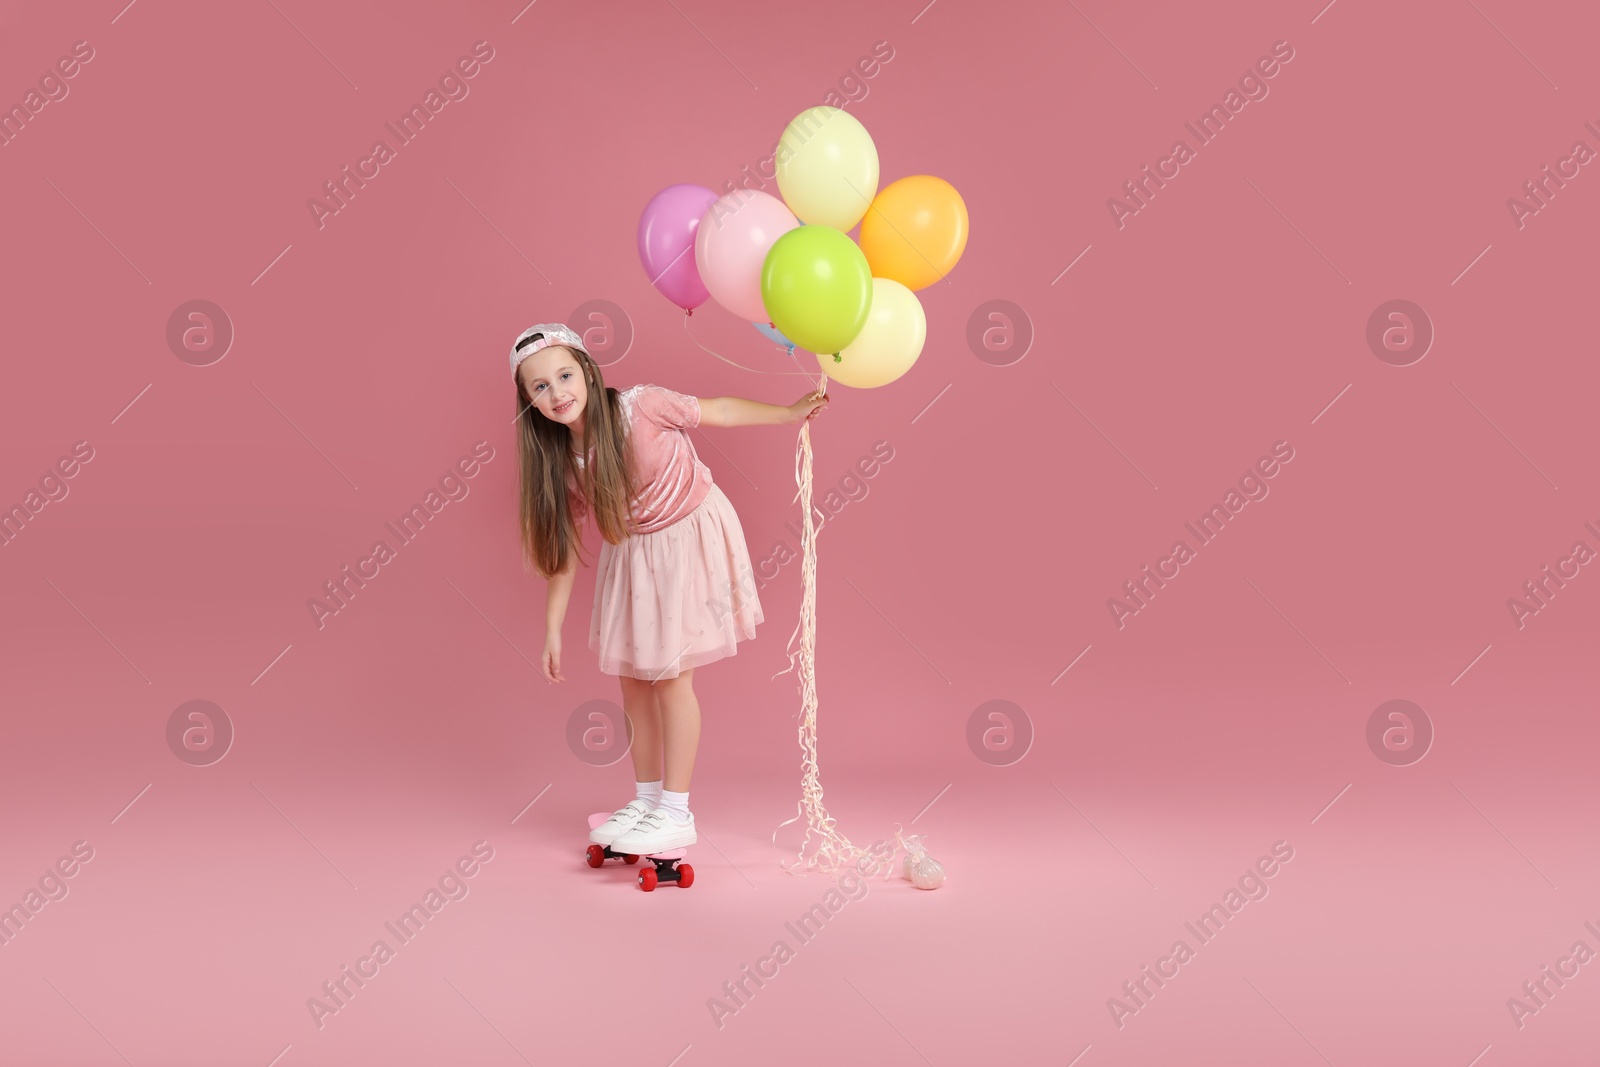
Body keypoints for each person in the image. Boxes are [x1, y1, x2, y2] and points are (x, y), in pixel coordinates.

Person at [510, 323, 829, 855]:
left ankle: (677, 811)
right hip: (633, 553)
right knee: (634, 680)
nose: (557, 393)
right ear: (528, 402)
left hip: (687, 537)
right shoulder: (564, 460)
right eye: (539, 387)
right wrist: (551, 630)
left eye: (565, 375)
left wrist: (788, 412)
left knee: (670, 677)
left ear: (587, 372)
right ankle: (648, 798)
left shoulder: (642, 406)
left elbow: (719, 410)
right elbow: (562, 554)